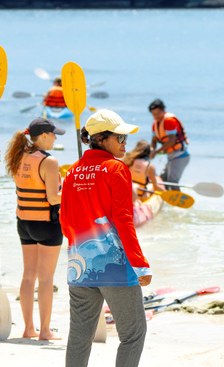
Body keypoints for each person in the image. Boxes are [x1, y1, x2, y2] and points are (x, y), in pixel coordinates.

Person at [61, 109, 151, 367]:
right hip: (115, 267)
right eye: (120, 137)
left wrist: (81, 251)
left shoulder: (72, 172)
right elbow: (124, 220)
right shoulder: (116, 168)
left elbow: (65, 222)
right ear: (101, 138)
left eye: (126, 138)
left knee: (79, 336)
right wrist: (140, 264)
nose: (125, 143)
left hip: (79, 266)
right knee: (133, 335)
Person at [4, 117, 65, 340]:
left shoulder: (19, 157)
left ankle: (29, 329)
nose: (56, 138)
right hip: (46, 224)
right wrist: (72, 189)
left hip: (24, 224)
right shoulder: (49, 161)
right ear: (43, 136)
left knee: (28, 276)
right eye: (54, 134)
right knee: (46, 278)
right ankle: (45, 330)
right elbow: (53, 197)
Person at [149, 99, 189, 190]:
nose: (156, 116)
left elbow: (171, 141)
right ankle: (164, 202)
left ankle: (178, 203)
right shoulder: (155, 124)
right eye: (154, 114)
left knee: (172, 182)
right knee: (163, 180)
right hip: (171, 156)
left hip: (180, 156)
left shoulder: (169, 120)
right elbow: (154, 141)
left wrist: (156, 152)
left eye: (158, 113)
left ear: (163, 110)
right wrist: (152, 149)